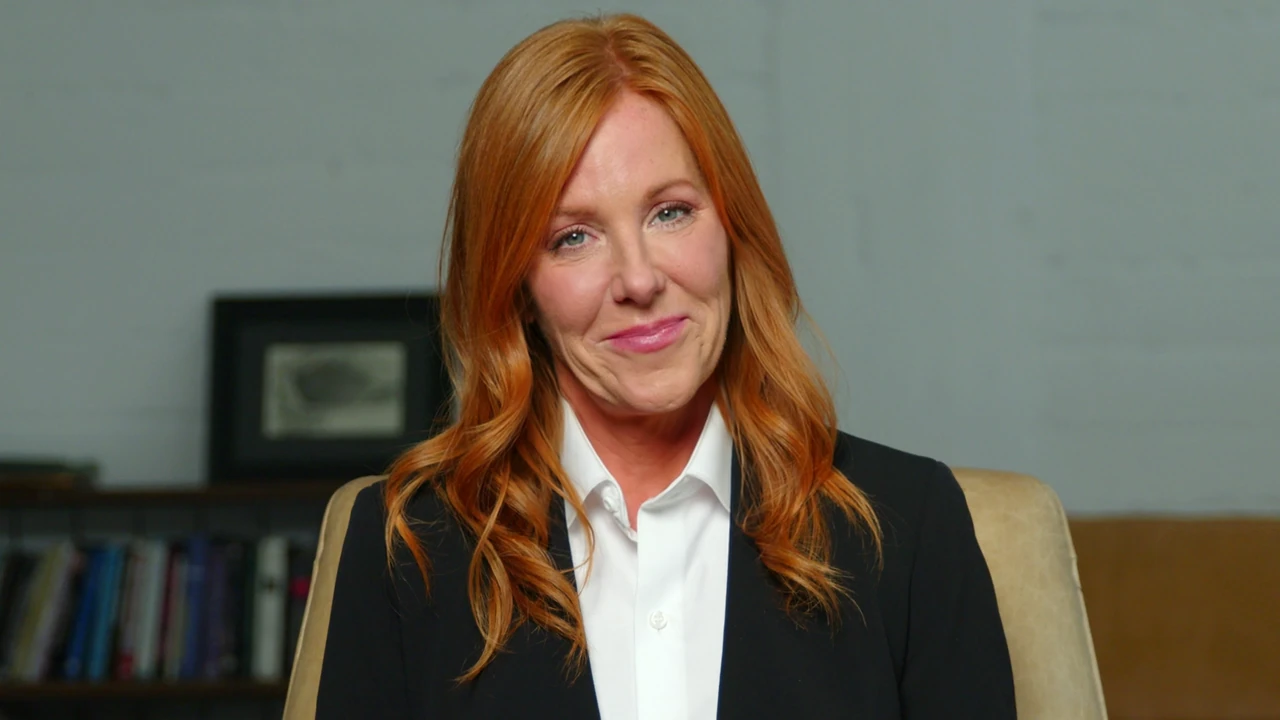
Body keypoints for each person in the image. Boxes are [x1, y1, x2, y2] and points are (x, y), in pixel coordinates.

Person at [315, 12, 1015, 720]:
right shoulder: (405, 548)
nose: (639, 279)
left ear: (732, 228)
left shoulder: (910, 527)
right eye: (573, 237)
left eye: (670, 213)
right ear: (516, 289)